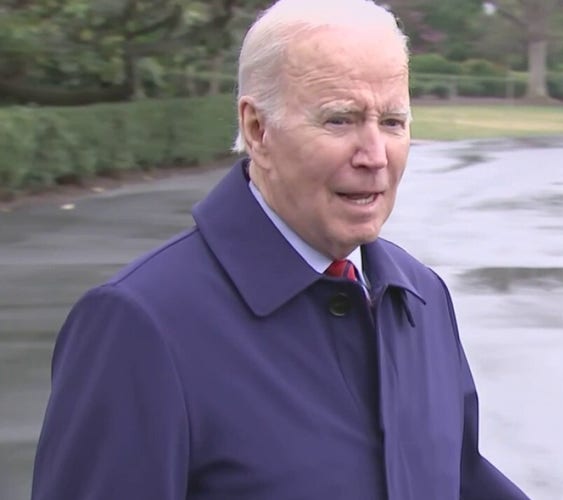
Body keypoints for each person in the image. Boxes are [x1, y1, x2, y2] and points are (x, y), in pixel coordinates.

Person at [30, 1, 529, 499]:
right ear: (257, 130)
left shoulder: (420, 297)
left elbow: (460, 479)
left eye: (394, 122)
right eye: (340, 120)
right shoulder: (139, 324)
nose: (375, 156)